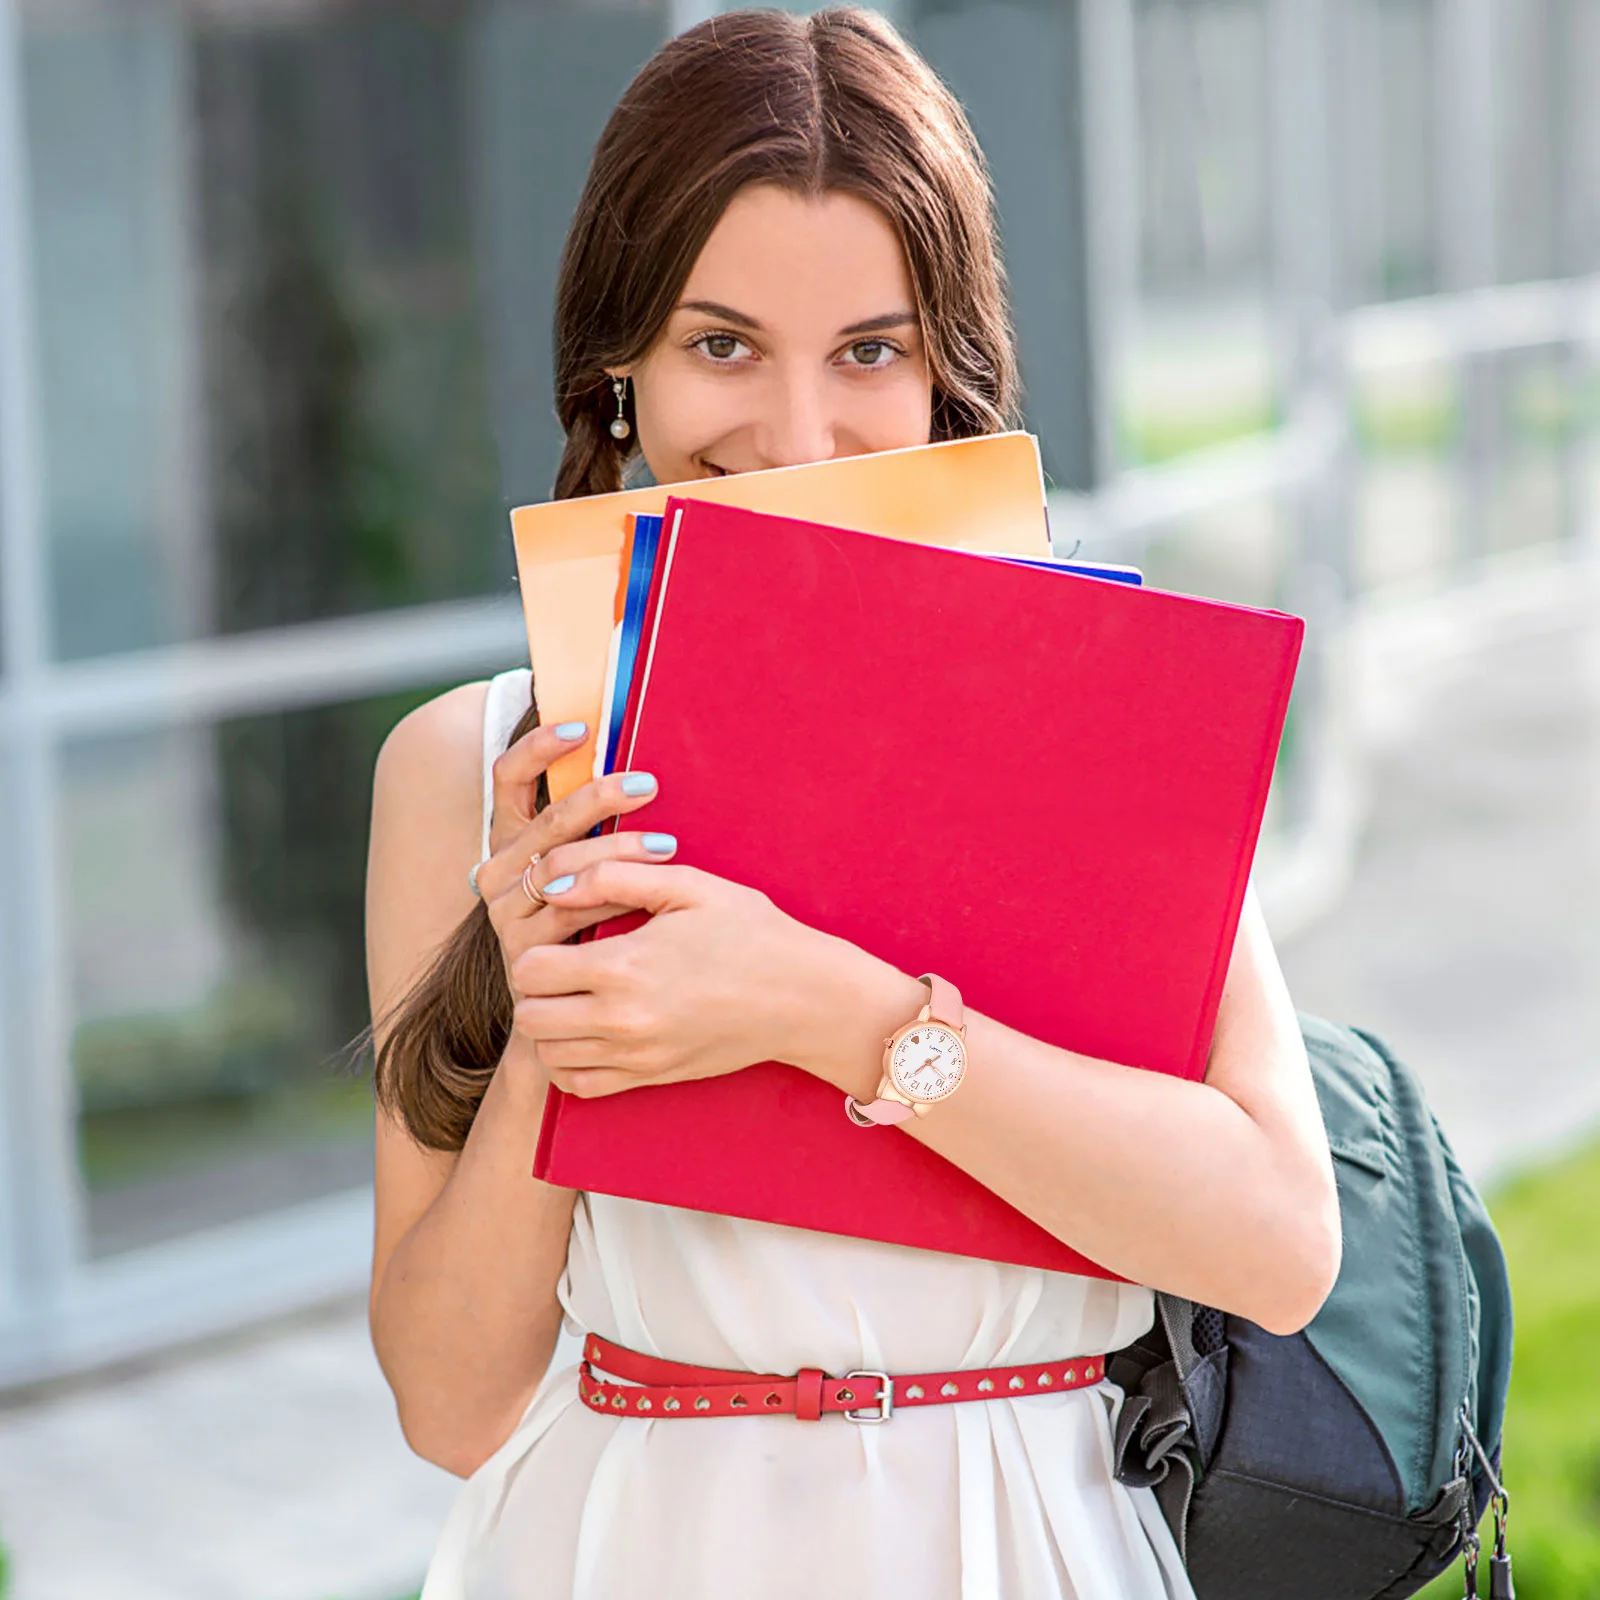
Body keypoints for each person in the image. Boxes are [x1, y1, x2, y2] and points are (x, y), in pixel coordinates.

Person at [364, 10, 1340, 1598]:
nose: (796, 439)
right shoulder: (459, 766)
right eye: (723, 344)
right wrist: (553, 1006)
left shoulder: (1090, 699)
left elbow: (1280, 1248)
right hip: (620, 1542)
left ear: (948, 381)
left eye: (870, 352)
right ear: (618, 370)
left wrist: (841, 1016)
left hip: (1019, 1538)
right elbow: (453, 1406)